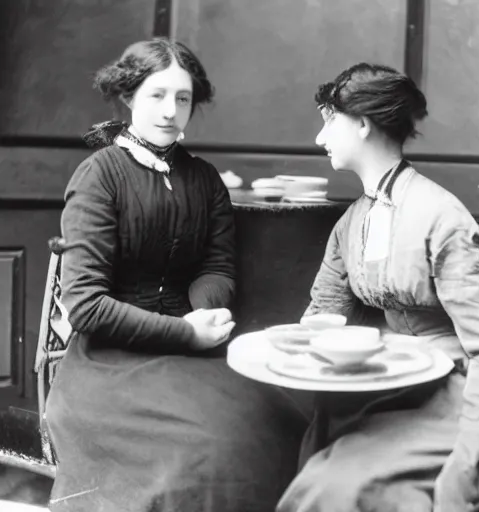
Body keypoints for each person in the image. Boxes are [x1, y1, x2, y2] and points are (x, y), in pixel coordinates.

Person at [45, 38, 306, 512]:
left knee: (273, 418)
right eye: (156, 95)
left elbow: (217, 265)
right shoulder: (99, 175)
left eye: (182, 98)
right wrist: (182, 333)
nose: (170, 110)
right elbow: (85, 306)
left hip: (193, 351)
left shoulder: (204, 179)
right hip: (110, 362)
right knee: (208, 450)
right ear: (128, 97)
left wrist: (204, 316)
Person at [277, 63, 479, 512]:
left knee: (341, 484)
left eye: (329, 120)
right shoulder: (351, 223)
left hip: (462, 397)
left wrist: (464, 462)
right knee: (317, 459)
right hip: (394, 385)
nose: (319, 138)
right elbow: (323, 314)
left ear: (363, 124)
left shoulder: (440, 216)